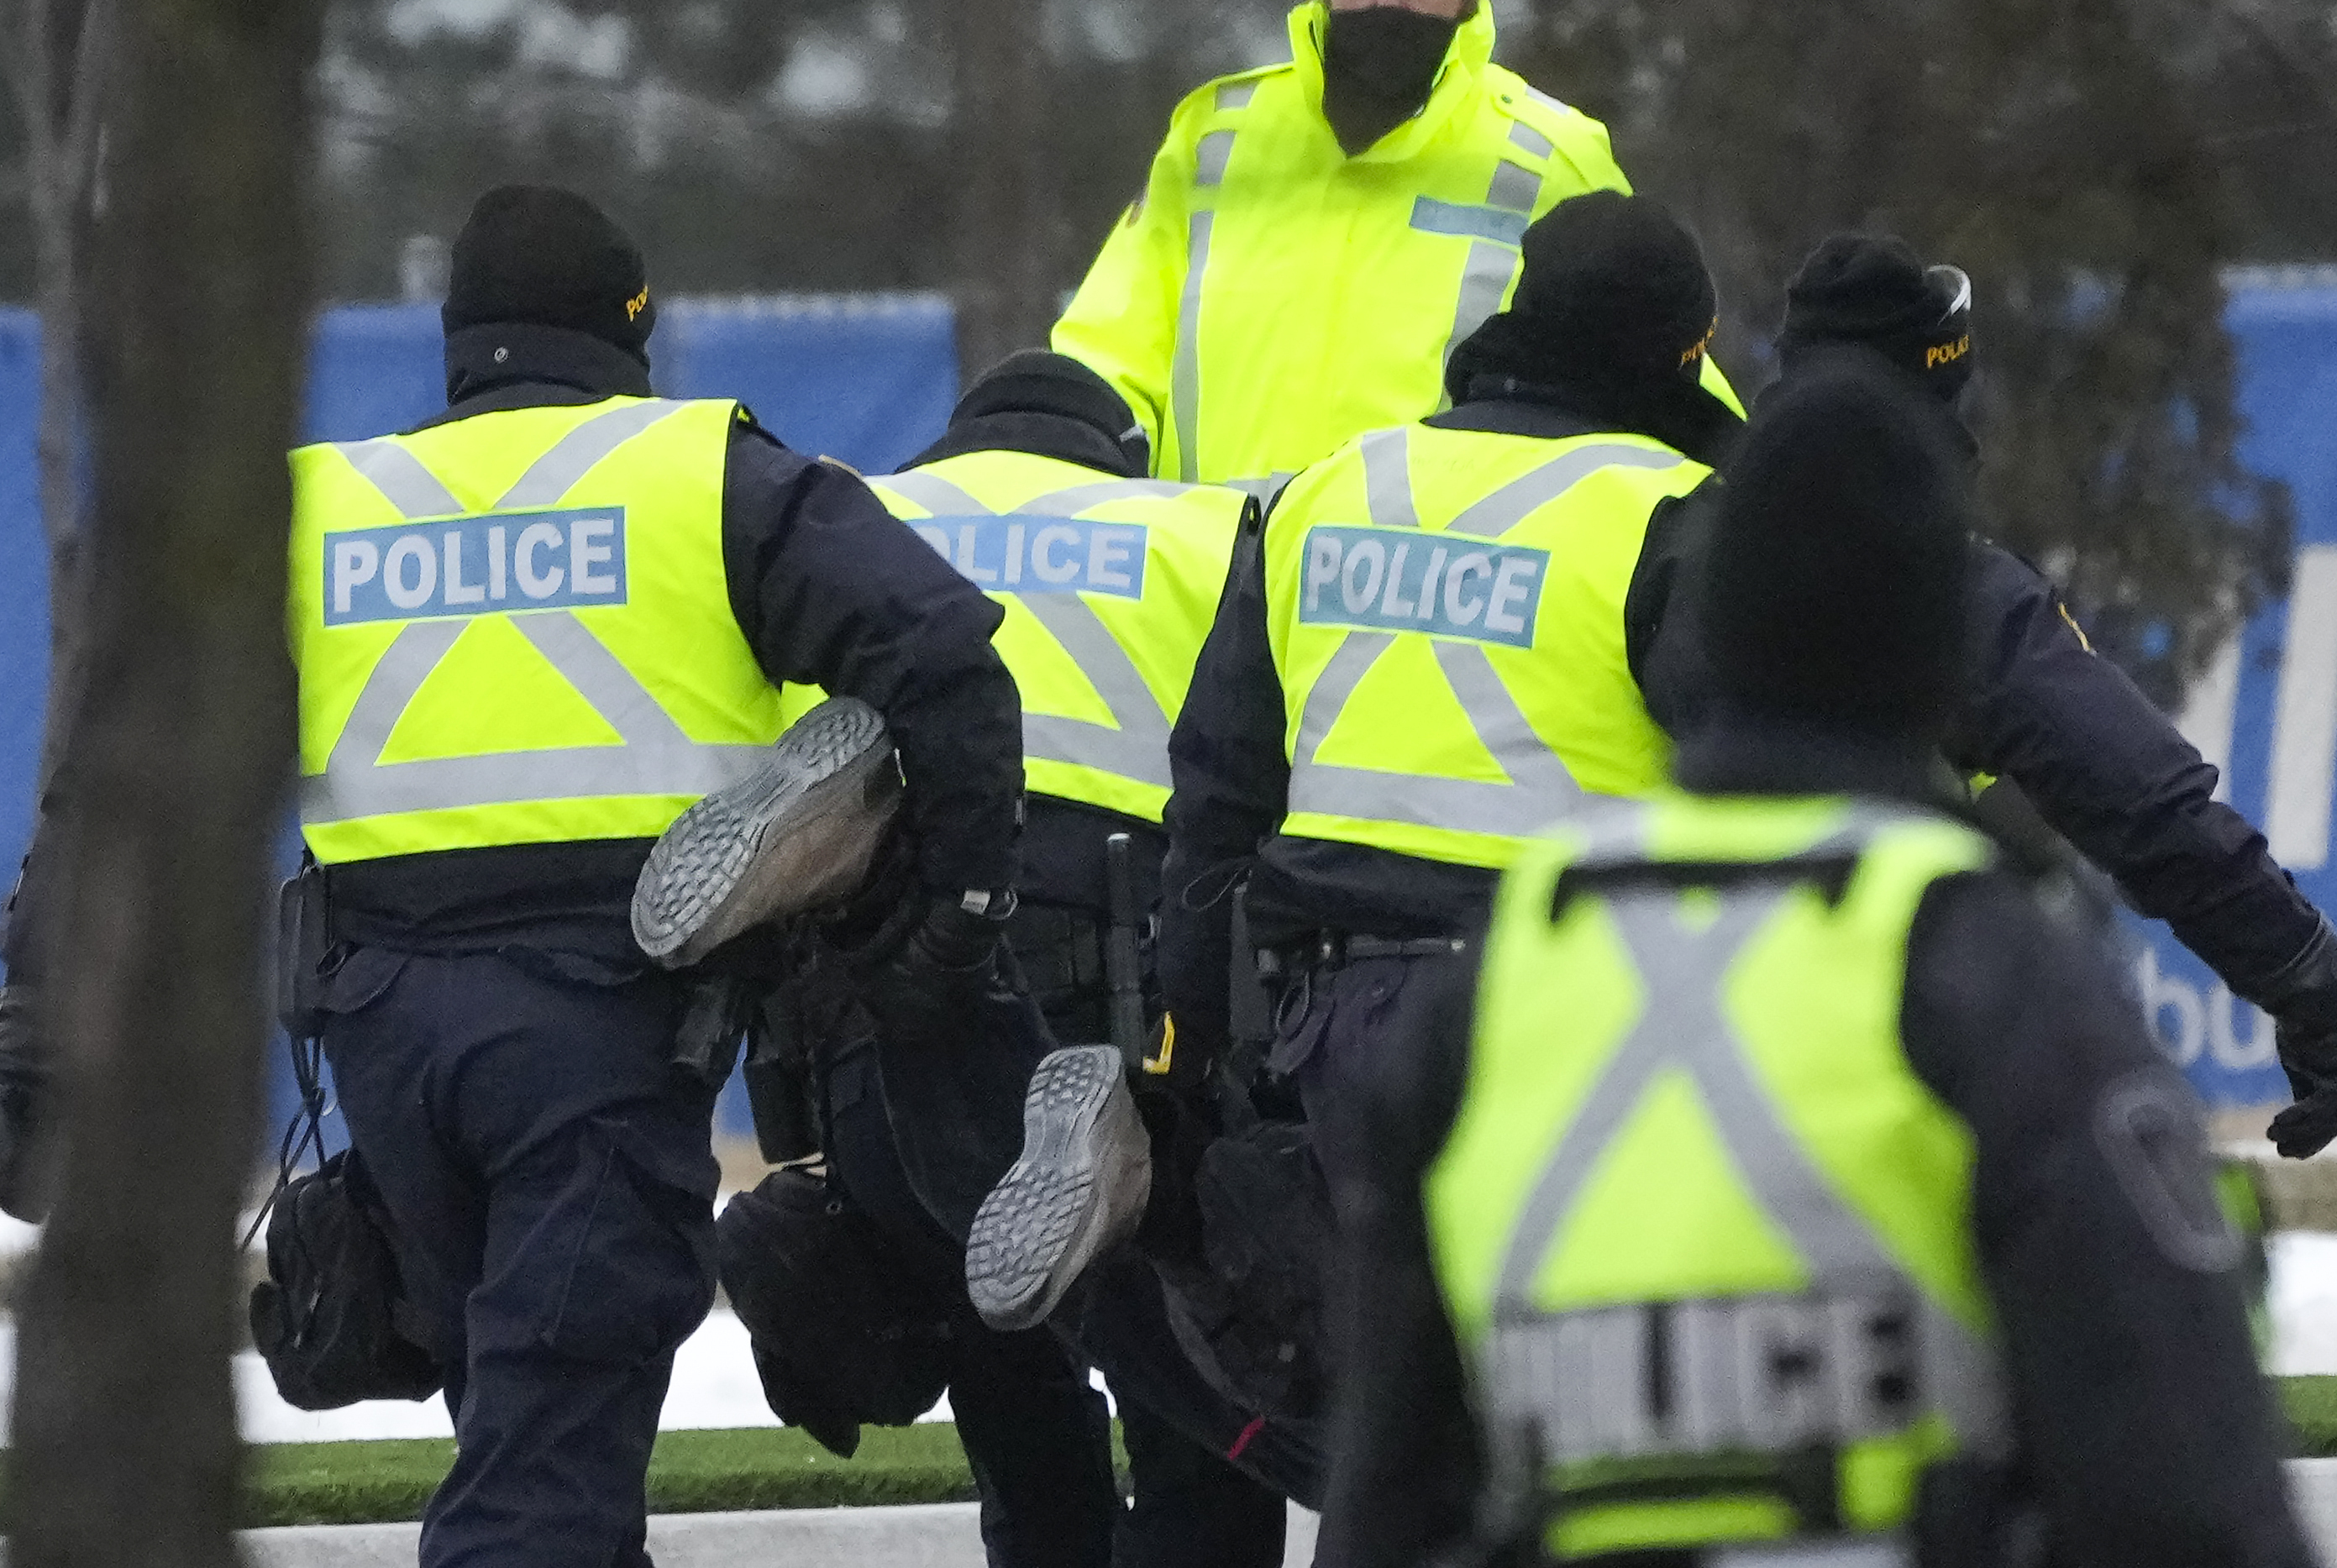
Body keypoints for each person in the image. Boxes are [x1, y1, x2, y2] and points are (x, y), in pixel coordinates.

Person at [1317, 369, 2315, 1568]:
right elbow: (2183, 1494)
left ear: (1716, 632)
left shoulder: (1504, 972)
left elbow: (1382, 1501)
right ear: (1936, 660)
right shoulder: (1988, 971)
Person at [283, 184, 1024, 1568]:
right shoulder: (702, 473)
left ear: (458, 338)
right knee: (549, 1455)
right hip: (601, 1026)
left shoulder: (323, 505)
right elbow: (941, 654)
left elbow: (136, 747)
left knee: (523, 1418)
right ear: (633, 327)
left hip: (378, 1035)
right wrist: (953, 908)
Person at [969, 189, 1742, 1333]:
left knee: (1378, 1392)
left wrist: (1182, 1041)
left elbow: (1219, 789)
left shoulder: (1326, 489)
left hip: (1336, 1013)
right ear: (1680, 357)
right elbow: (1759, 776)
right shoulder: (1674, 515)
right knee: (1569, 1381)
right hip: (1574, 1006)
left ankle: (1175, 1198)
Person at [748, 353, 1308, 1563]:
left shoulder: (853, 517)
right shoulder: (1200, 525)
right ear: (1119, 456)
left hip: (890, 1005)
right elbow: (1257, 788)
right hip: (1118, 1005)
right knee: (1194, 1415)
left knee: (1006, 1375)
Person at [1736, 233, 2337, 1159]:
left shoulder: (1654, 539)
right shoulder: (1947, 592)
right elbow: (2143, 802)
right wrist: (2309, 981)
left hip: (1576, 1051)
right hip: (1847, 1072)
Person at [1052, 0, 1736, 490]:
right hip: (1215, 582)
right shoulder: (1215, 141)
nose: (1387, 0)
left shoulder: (1550, 156)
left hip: (1426, 588)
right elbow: (1106, 362)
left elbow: (1664, 380)